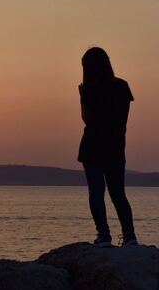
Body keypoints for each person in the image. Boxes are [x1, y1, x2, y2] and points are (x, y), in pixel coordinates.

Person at [78, 47, 137, 247]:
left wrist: (84, 95)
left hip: (92, 145)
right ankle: (130, 237)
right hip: (115, 146)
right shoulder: (122, 86)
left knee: (96, 192)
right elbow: (122, 121)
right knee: (118, 193)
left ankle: (104, 236)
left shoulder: (88, 88)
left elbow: (87, 118)